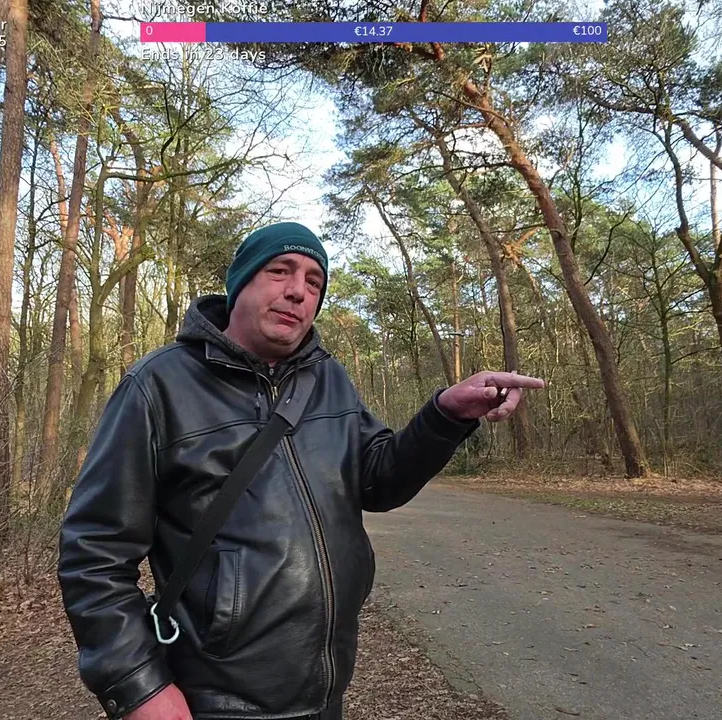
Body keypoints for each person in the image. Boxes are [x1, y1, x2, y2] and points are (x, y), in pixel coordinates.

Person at [58, 222, 544, 720]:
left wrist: (445, 414)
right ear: (241, 282)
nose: (298, 291)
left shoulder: (327, 378)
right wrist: (138, 687)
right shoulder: (158, 386)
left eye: (314, 282)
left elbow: (378, 480)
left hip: (324, 689)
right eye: (280, 271)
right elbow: (94, 552)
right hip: (215, 700)